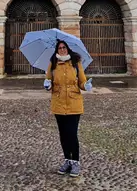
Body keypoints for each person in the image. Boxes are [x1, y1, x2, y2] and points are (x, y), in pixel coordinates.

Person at [43, 41, 92, 177]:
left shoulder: (76, 62)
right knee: (63, 135)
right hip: (58, 103)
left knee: (72, 134)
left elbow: (81, 81)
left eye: (64, 47)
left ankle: (75, 161)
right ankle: (67, 161)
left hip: (73, 103)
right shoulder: (52, 63)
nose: (62, 49)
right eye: (60, 48)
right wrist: (47, 85)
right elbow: (49, 81)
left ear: (68, 48)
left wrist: (85, 86)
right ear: (57, 50)